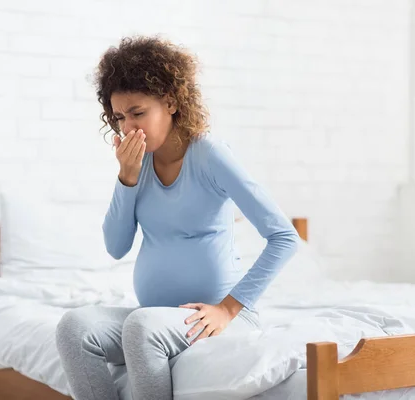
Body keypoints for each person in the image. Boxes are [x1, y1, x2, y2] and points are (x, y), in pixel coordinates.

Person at [55, 35, 300, 400]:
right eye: (119, 117)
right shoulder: (138, 165)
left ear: (170, 102)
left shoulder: (209, 155)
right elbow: (116, 247)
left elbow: (284, 237)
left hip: (218, 320)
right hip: (158, 321)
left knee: (141, 325)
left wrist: (227, 309)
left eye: (138, 113)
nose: (127, 127)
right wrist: (127, 178)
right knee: (74, 326)